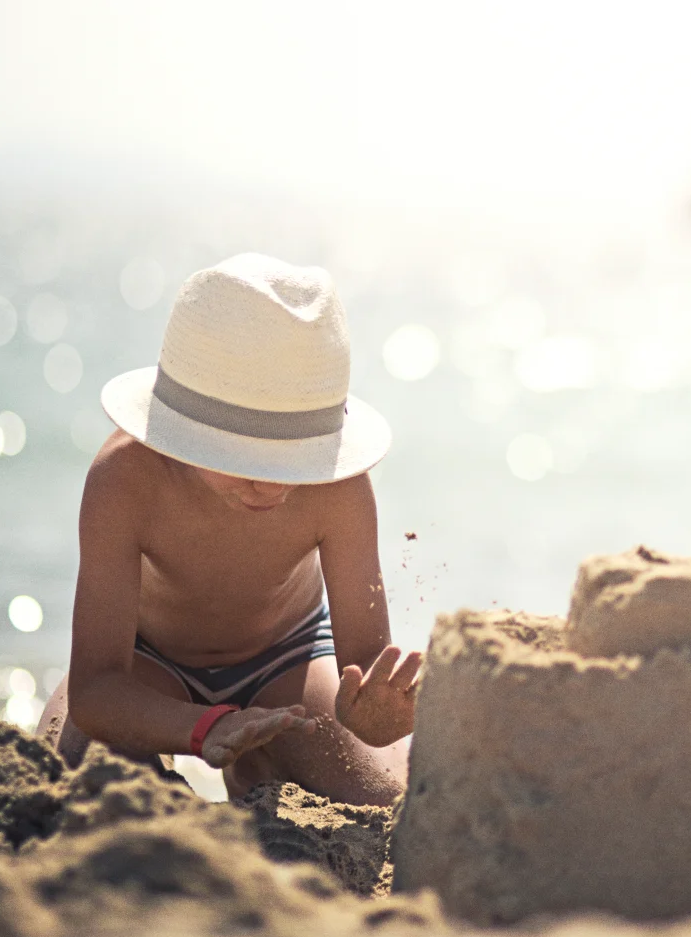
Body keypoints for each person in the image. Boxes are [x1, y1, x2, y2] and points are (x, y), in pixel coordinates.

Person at [39, 252, 422, 803]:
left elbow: (363, 674)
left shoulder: (341, 488)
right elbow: (97, 689)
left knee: (379, 794)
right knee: (64, 771)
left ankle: (261, 762)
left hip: (289, 658)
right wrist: (204, 727)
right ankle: (246, 754)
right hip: (147, 662)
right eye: (246, 459)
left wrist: (378, 720)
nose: (272, 486)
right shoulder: (124, 479)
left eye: (296, 461)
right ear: (181, 432)